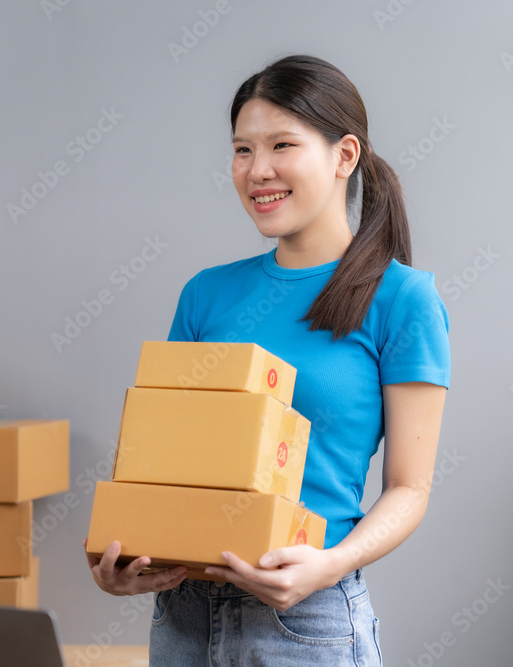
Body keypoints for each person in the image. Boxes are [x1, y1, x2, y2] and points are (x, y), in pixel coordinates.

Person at [84, 53, 450, 666]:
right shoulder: (206, 293)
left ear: (344, 155)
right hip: (183, 616)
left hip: (304, 619)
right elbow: (162, 460)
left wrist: (330, 565)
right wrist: (122, 555)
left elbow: (409, 488)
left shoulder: (402, 299)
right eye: (242, 150)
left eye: (282, 145)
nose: (258, 171)